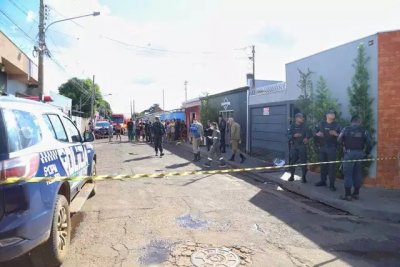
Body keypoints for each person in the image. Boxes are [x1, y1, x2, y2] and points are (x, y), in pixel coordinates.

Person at [337, 115, 372, 201]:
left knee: (348, 174)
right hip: (359, 154)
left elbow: (339, 139)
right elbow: (369, 143)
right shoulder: (364, 131)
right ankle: (356, 194)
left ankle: (348, 195)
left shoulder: (346, 129)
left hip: (349, 154)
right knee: (357, 173)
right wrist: (366, 153)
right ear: (359, 122)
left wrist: (343, 146)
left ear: (351, 121)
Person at [314, 110, 341, 191]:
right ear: (326, 115)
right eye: (331, 113)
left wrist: (336, 134)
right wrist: (317, 134)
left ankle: (332, 185)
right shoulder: (321, 124)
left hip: (332, 148)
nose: (333, 115)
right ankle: (323, 181)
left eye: (334, 113)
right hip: (322, 147)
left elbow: (342, 137)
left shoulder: (337, 125)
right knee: (323, 165)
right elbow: (314, 134)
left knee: (331, 166)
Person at [287, 113, 311, 183]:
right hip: (294, 146)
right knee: (292, 162)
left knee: (303, 162)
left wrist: (307, 138)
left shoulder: (305, 126)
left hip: (302, 146)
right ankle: (292, 176)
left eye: (303, 118)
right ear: (297, 118)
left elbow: (310, 134)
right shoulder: (291, 126)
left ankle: (303, 177)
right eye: (301, 118)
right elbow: (287, 135)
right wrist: (294, 135)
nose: (302, 119)